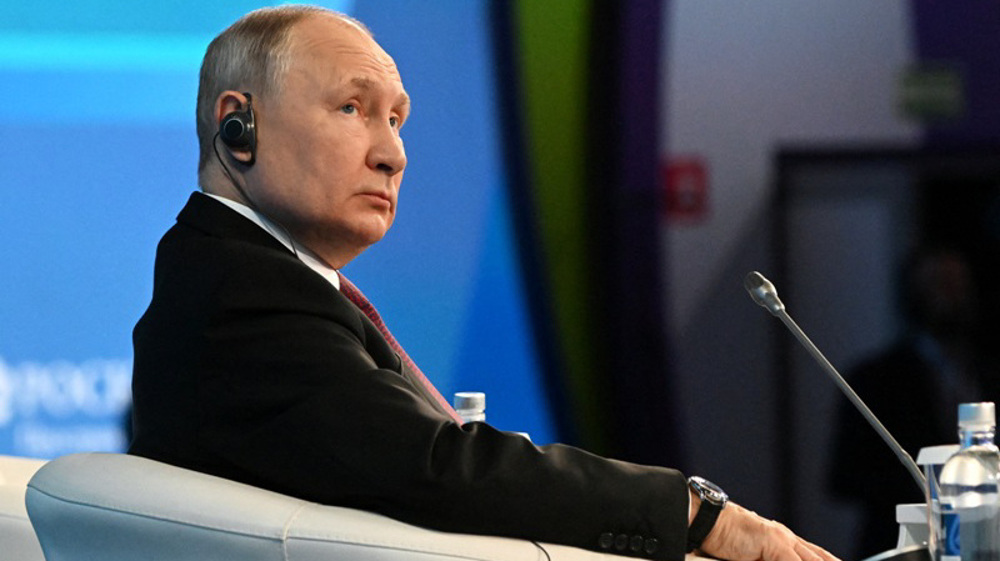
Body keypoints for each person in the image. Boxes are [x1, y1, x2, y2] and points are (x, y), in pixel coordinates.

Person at [129, 6, 837, 561]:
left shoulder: (241, 274)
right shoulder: (240, 295)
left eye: (397, 119)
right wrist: (694, 511)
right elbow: (439, 468)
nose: (393, 153)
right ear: (238, 127)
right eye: (353, 108)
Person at [829, 245, 997, 556]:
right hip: (900, 543)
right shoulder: (875, 378)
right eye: (940, 284)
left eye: (958, 284)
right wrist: (936, 484)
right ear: (914, 292)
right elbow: (842, 477)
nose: (952, 294)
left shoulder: (988, 373)